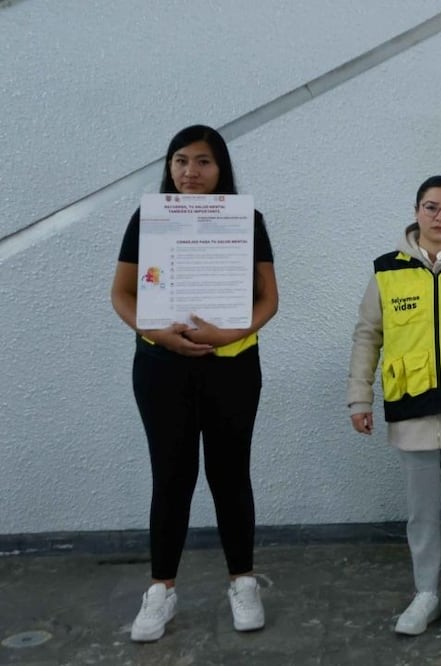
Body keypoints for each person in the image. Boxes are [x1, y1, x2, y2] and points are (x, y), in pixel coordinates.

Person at [110, 125, 279, 642]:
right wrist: (160, 332)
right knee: (172, 476)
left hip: (232, 367)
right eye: (180, 160)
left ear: (221, 168)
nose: (190, 172)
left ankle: (243, 581)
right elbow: (121, 294)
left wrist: (227, 331)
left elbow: (268, 299)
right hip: (162, 366)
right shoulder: (149, 219)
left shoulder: (247, 220)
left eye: (203, 161)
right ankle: (161, 589)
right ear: (169, 166)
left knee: (230, 475)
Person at [347, 175, 441, 638]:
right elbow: (368, 334)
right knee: (422, 513)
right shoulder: (387, 270)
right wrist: (359, 395)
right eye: (432, 207)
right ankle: (426, 595)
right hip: (410, 409)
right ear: (416, 212)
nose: (440, 217)